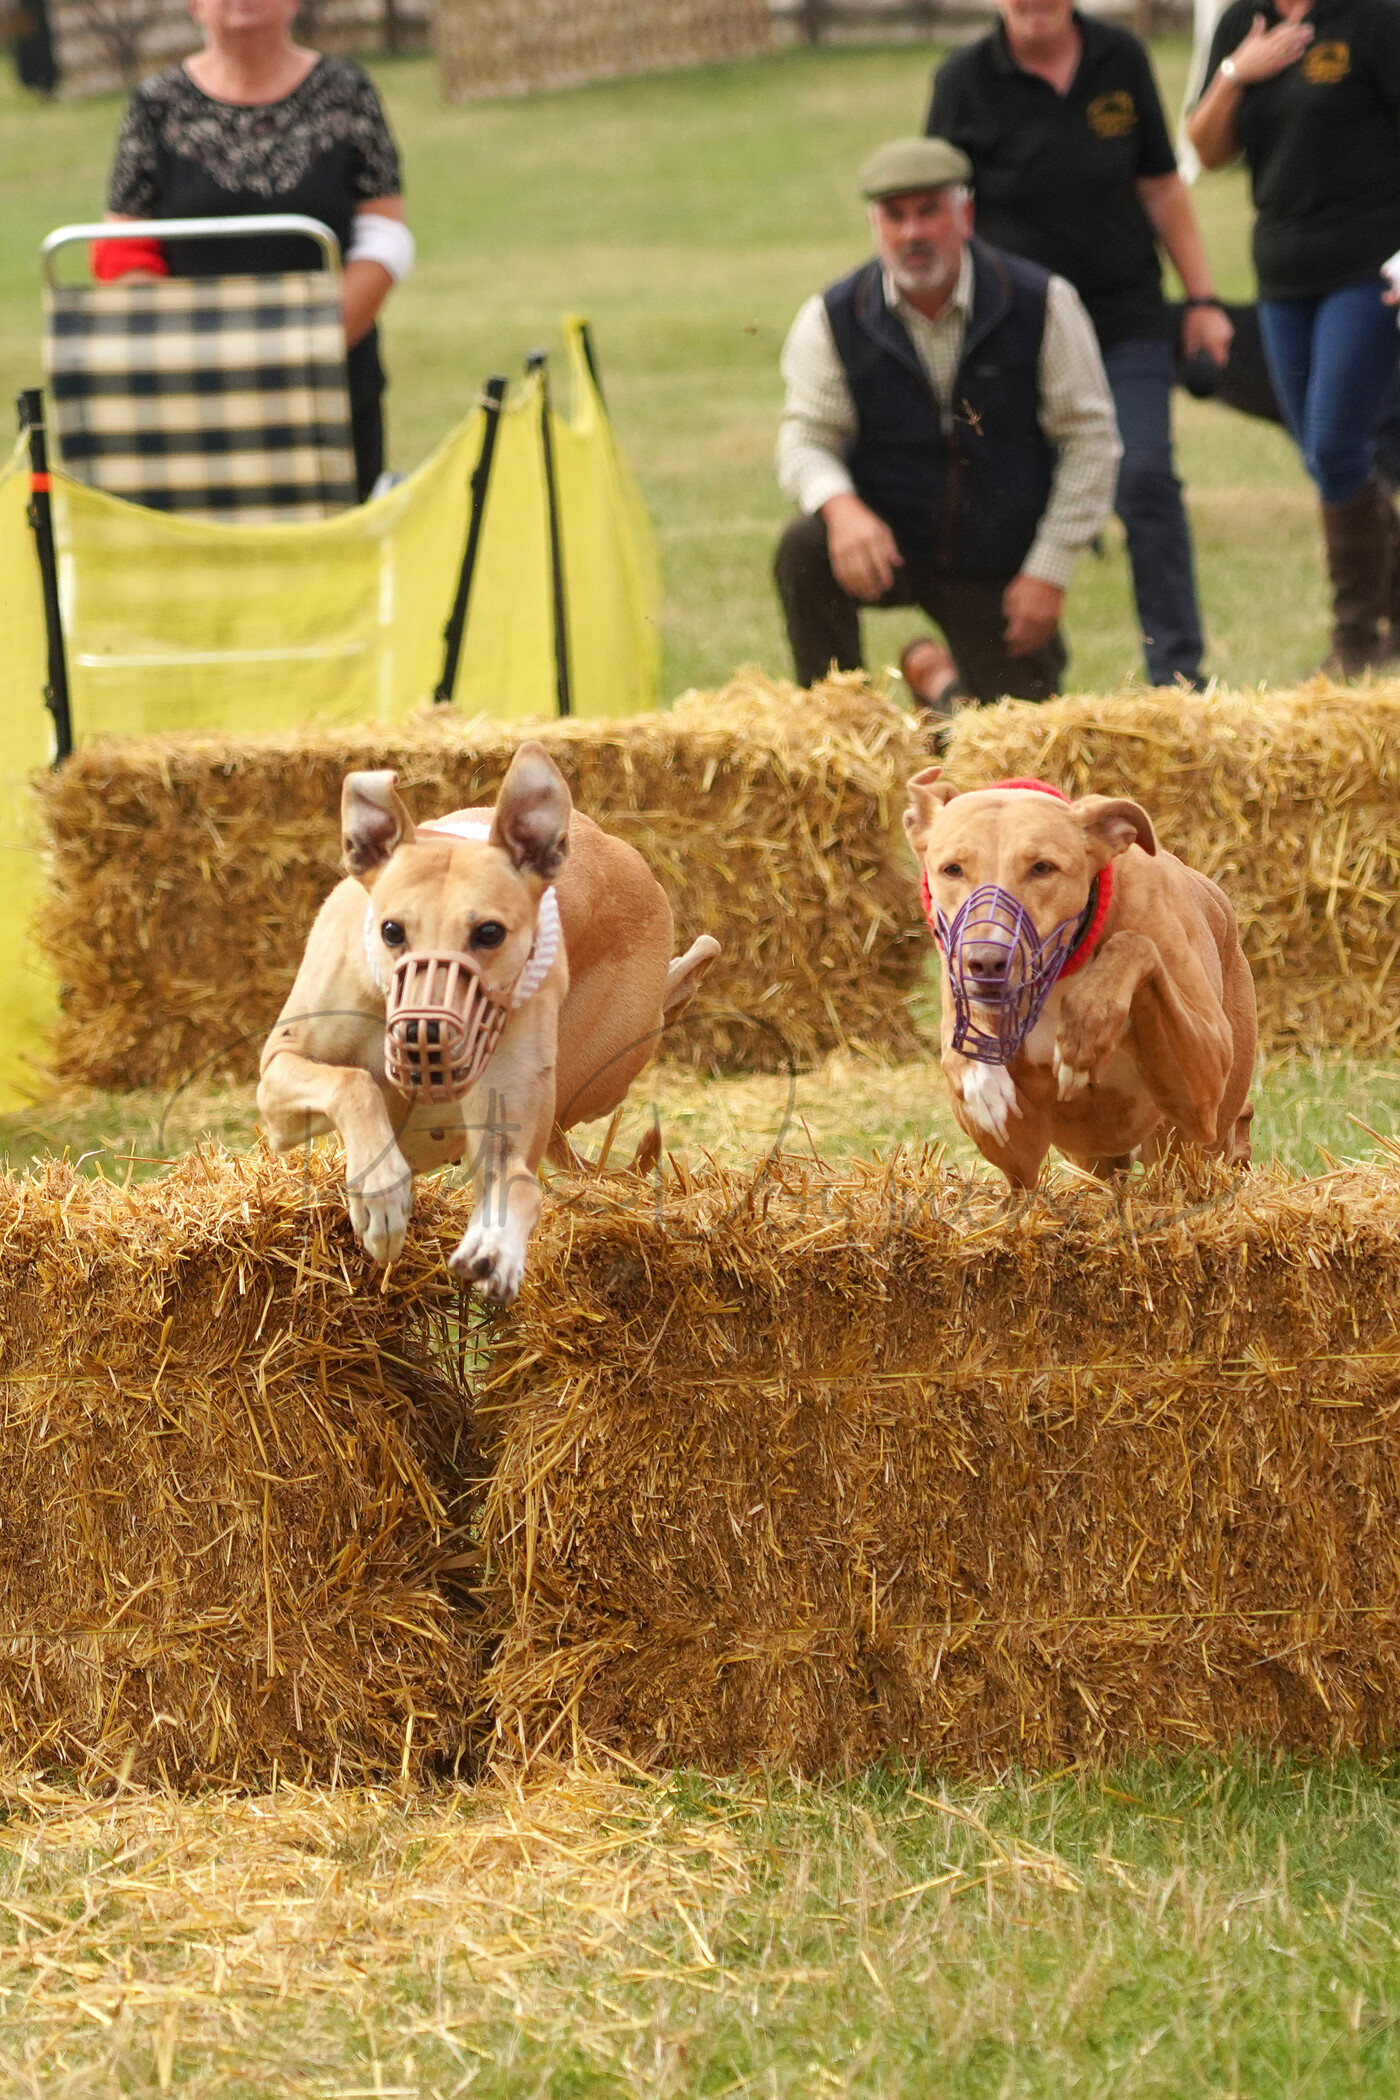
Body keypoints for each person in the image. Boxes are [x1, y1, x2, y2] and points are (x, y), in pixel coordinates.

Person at [928, 0, 1231, 693]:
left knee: (1146, 477)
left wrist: (1203, 299)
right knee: (1004, 495)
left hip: (1124, 315)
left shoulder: (1118, 58)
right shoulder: (963, 80)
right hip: (1015, 334)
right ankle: (1016, 682)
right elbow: (936, 213)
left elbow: (1159, 184)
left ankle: (1179, 677)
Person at [774, 137, 1121, 710]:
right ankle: (835, 731)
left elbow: (1090, 441)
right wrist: (841, 508)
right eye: (895, 216)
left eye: (928, 211)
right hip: (887, 546)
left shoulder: (1042, 302)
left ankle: (937, 686)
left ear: (965, 215)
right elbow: (805, 437)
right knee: (804, 547)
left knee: (1010, 751)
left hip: (999, 565)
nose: (912, 234)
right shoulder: (832, 317)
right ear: (875, 226)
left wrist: (1049, 571)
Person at [101, 0, 412, 500]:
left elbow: (385, 237)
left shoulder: (347, 92)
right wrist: (203, 357)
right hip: (195, 396)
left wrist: (313, 347)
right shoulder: (154, 104)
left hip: (332, 382)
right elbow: (121, 251)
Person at [1187, 0, 1400, 674]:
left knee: (1337, 445)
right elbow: (1206, 148)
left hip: (1367, 268)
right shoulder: (1242, 21)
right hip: (1281, 275)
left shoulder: (1373, 19)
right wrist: (1234, 73)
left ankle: (1356, 642)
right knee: (1319, 453)